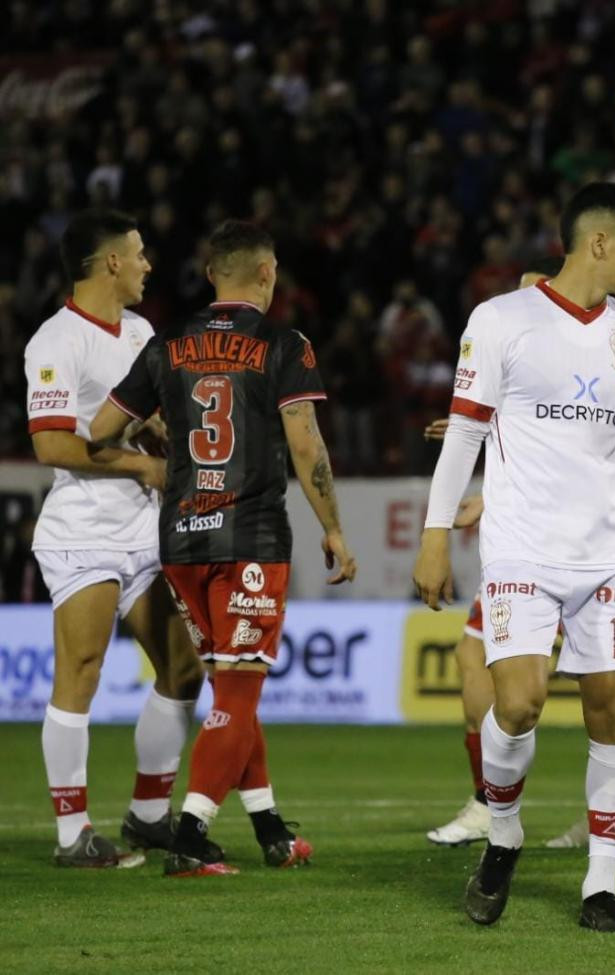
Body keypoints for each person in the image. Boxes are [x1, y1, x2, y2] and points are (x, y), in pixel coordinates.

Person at [413, 182, 615, 932]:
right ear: (599, 243)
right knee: (519, 701)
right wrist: (436, 534)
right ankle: (502, 834)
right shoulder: (501, 320)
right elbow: (464, 432)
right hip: (522, 546)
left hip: (605, 554)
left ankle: (600, 886)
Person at [88, 220, 357, 876]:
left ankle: (269, 828)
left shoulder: (169, 342)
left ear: (212, 274)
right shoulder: (282, 343)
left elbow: (99, 430)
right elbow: (305, 443)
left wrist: (162, 429)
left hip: (181, 540)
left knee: (233, 689)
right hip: (252, 538)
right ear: (268, 274)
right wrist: (333, 525)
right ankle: (187, 836)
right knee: (238, 693)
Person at [23, 209, 205, 868]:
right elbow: (50, 443)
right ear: (111, 264)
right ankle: (73, 834)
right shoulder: (55, 340)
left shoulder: (140, 330)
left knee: (183, 667)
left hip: (145, 528)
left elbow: (144, 415)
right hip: (85, 532)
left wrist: (159, 430)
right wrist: (140, 463)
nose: (149, 264)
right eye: (139, 253)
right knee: (83, 670)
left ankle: (150, 815)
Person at [423, 256, 589, 851]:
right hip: (517, 543)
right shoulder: (522, 360)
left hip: (571, 549)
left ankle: (599, 817)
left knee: (598, 692)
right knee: (475, 665)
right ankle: (484, 803)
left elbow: (565, 461)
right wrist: (484, 487)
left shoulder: (586, 353)